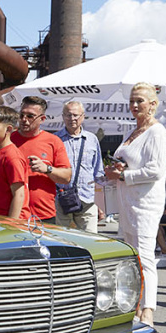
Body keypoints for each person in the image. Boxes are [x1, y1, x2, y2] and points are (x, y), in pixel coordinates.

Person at [103, 82, 166, 327]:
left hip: (145, 203)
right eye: (131, 101)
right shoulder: (133, 131)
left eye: (139, 100)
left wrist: (123, 175)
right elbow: (132, 163)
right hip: (127, 202)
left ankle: (148, 310)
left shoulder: (157, 132)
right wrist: (117, 169)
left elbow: (155, 170)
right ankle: (135, 306)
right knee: (132, 258)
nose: (134, 105)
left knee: (144, 257)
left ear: (153, 104)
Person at [10, 96, 72, 223]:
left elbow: (66, 177)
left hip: (43, 215)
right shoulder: (8, 140)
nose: (24, 120)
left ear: (42, 119)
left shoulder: (53, 141)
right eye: (21, 115)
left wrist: (47, 169)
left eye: (30, 116)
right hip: (13, 213)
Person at [54, 100, 103, 233]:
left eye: (75, 115)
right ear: (63, 116)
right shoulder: (55, 140)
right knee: (63, 238)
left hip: (88, 198)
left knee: (90, 238)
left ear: (83, 116)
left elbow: (98, 172)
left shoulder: (92, 139)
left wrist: (101, 204)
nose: (72, 118)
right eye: (68, 115)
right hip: (61, 198)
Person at [0, 106, 29, 220]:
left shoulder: (12, 157)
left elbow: (19, 194)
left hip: (10, 222)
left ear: (8, 129)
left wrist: (11, 224)